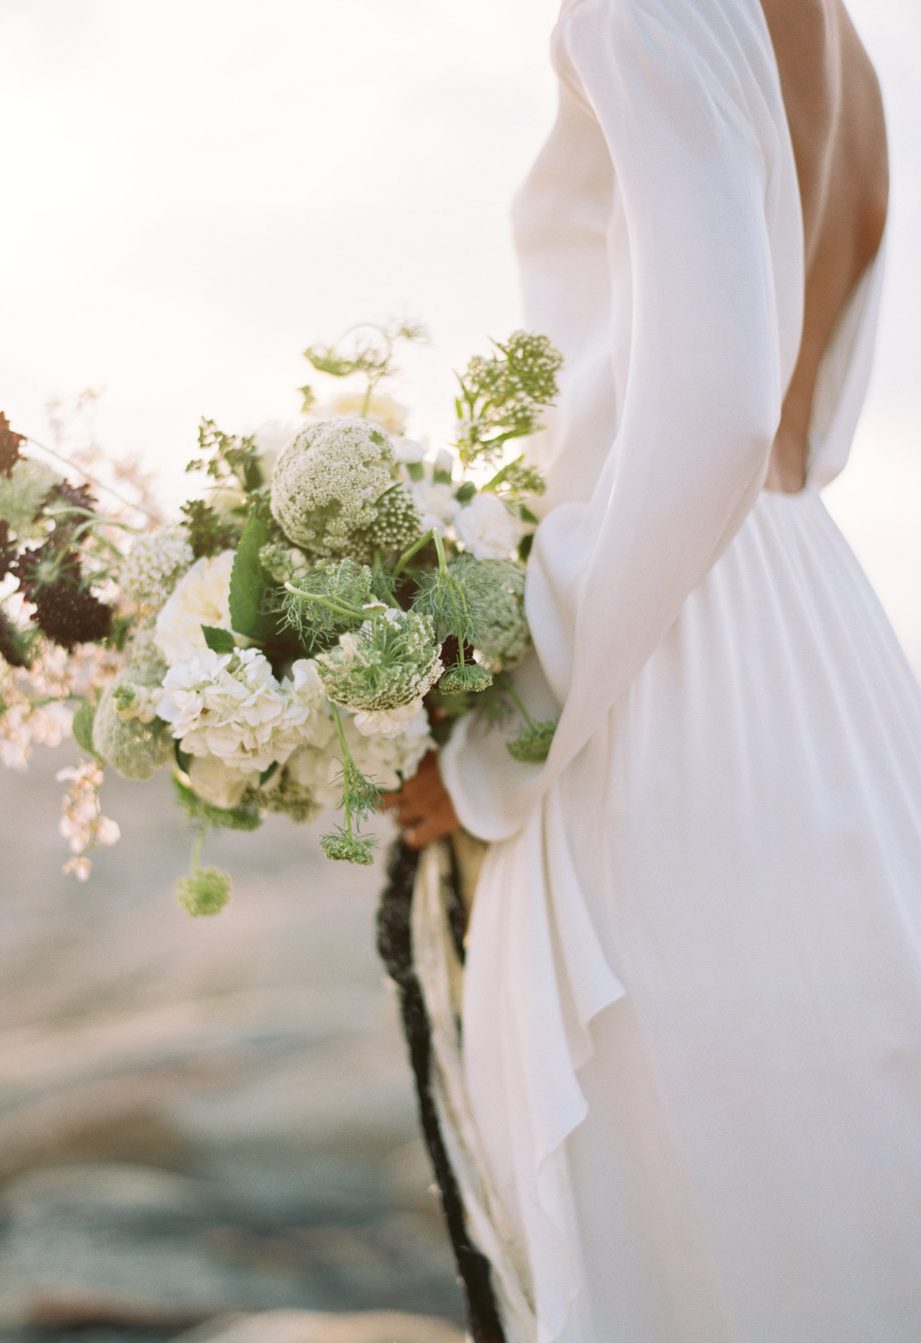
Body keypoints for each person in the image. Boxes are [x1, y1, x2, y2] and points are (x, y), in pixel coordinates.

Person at [385, 0, 921, 1340]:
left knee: (701, 1231)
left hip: (677, 663)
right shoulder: (837, 37)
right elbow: (805, 425)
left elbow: (716, 413)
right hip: (815, 628)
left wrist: (498, 737)